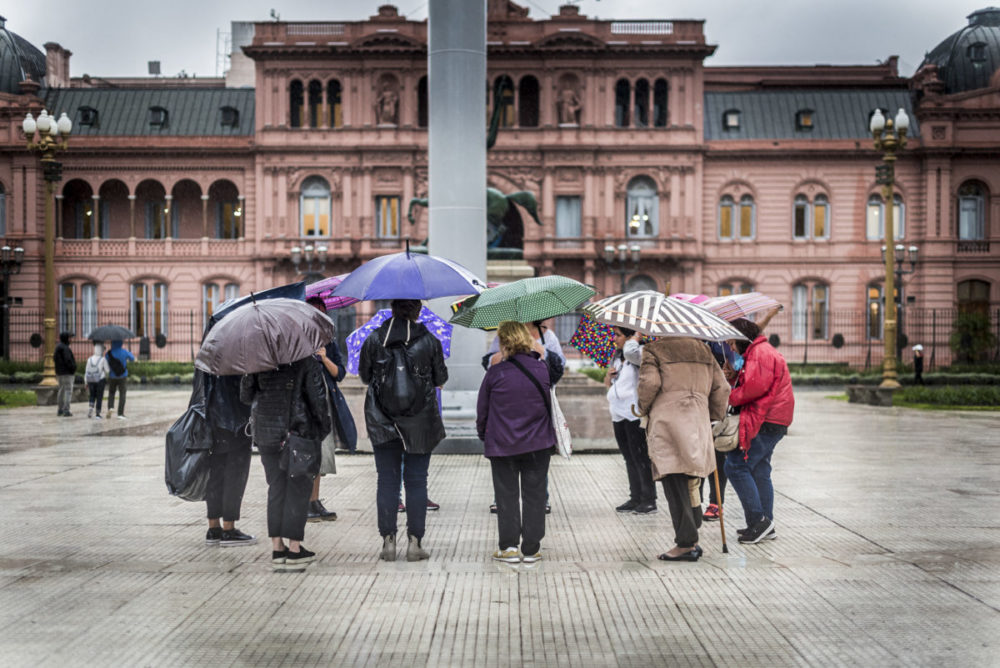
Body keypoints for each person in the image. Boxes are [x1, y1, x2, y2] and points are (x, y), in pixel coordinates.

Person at [359, 299, 448, 562]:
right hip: (420, 421)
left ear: (392, 310)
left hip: (382, 420)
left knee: (386, 480)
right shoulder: (430, 341)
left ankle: (388, 541)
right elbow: (440, 378)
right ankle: (415, 543)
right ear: (418, 311)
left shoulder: (374, 339)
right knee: (417, 480)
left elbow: (365, 376)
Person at [637, 337, 730, 562]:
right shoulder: (704, 350)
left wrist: (642, 407)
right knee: (691, 477)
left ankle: (686, 543)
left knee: (674, 478)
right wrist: (713, 414)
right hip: (698, 419)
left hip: (668, 421)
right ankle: (692, 534)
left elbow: (649, 384)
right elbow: (723, 387)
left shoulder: (654, 349)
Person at [240, 356, 331, 571]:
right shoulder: (305, 360)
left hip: (266, 434)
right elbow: (318, 400)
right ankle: (295, 549)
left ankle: (277, 547)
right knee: (298, 489)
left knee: (276, 488)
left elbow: (245, 396)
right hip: (298, 433)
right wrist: (322, 430)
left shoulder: (258, 358)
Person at [477, 321, 555, 563]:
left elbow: (483, 411)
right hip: (538, 443)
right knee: (535, 496)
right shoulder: (542, 369)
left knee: (506, 496)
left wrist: (485, 435)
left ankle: (509, 548)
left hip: (503, 444)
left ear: (503, 342)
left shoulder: (495, 373)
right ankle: (531, 549)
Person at [723, 318, 794, 544]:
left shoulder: (760, 353)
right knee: (759, 470)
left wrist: (729, 395)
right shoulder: (757, 352)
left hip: (767, 419)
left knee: (735, 465)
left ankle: (759, 522)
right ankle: (766, 524)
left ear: (743, 339)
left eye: (733, 343)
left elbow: (754, 387)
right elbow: (754, 382)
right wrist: (734, 376)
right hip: (772, 418)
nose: (731, 348)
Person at [483, 318, 564, 514]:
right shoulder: (503, 337)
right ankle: (501, 500)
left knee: (537, 455)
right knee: (510, 463)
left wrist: (541, 350)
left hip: (536, 402)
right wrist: (500, 355)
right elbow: (487, 362)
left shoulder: (547, 336)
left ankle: (540, 499)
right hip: (509, 398)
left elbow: (558, 367)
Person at [305, 296, 353, 522]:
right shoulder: (298, 342)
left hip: (325, 406)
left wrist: (324, 358)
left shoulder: (329, 342)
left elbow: (339, 374)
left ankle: (314, 501)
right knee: (305, 457)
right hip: (303, 409)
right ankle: (305, 502)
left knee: (322, 457)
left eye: (322, 312)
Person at [606, 326, 656, 514]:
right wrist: (608, 377)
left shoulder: (638, 354)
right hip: (618, 413)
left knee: (640, 456)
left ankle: (649, 499)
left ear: (630, 336)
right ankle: (635, 497)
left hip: (633, 413)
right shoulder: (618, 357)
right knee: (628, 457)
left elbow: (632, 353)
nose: (615, 339)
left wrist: (636, 337)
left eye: (618, 335)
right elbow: (610, 384)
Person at [203, 373, 256, 548]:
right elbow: (246, 392)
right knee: (235, 476)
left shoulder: (209, 348)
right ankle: (229, 528)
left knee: (215, 474)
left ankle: (213, 527)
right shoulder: (239, 350)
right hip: (237, 424)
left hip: (213, 421)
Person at [105, 340, 135, 419]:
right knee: (122, 394)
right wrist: (129, 352)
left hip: (112, 376)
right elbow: (132, 358)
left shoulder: (108, 353)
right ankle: (120, 413)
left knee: (111, 393)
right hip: (122, 376)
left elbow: (105, 362)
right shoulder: (124, 352)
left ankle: (110, 407)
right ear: (121, 343)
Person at [53, 332, 77, 417]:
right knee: (68, 391)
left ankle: (60, 409)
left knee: (61, 390)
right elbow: (68, 360)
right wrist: (73, 368)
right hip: (67, 373)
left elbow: (54, 359)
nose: (71, 339)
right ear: (66, 338)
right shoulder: (65, 348)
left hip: (59, 373)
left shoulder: (58, 348)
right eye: (70, 337)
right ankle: (66, 410)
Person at [84, 342, 110, 419]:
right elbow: (107, 370)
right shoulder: (103, 359)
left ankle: (91, 408)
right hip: (100, 380)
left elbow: (86, 371)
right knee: (99, 396)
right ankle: (98, 414)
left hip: (90, 380)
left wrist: (86, 382)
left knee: (92, 395)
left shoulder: (89, 359)